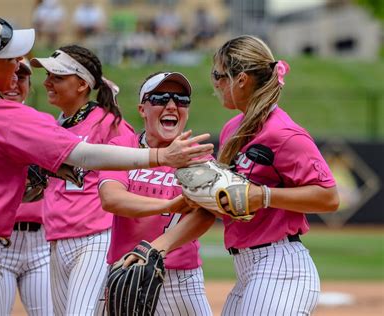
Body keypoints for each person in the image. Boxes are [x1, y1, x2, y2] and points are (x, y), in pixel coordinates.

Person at [0, 17, 213, 314]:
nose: (20, 68)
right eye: (12, 60)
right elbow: (83, 157)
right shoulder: (12, 117)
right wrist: (160, 156)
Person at [151, 35, 340, 316]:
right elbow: (230, 198)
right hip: (249, 270)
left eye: (219, 74)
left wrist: (263, 196)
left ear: (240, 79)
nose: (215, 82)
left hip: (280, 268)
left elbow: (330, 197)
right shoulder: (234, 128)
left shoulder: (283, 133)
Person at [97, 72, 216, 315]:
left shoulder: (199, 156)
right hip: (127, 270)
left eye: (181, 100)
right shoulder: (122, 148)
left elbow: (205, 215)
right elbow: (111, 199)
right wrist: (169, 205)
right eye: (161, 98)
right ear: (142, 109)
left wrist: (159, 247)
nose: (172, 105)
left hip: (181, 277)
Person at [30, 44, 135, 315]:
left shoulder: (109, 124)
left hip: (95, 238)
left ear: (81, 84)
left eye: (58, 76)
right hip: (55, 239)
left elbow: (132, 174)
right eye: (48, 76)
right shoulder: (54, 126)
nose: (47, 82)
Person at [0, 58, 53, 315]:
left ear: (30, 85)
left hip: (41, 243)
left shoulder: (44, 124)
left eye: (21, 77)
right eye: (8, 75)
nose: (14, 83)